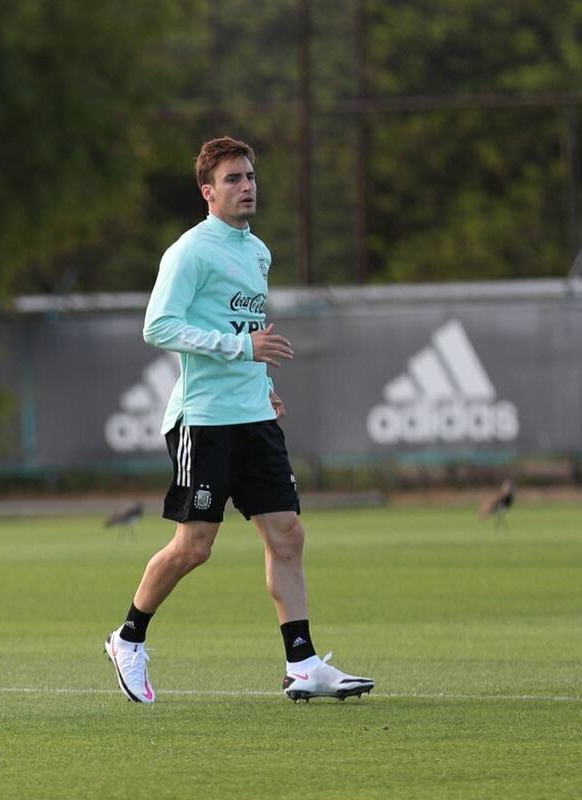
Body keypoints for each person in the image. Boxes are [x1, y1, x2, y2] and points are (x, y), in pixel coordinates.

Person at [104, 136, 373, 704]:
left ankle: (301, 664)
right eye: (233, 179)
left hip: (254, 415)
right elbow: (158, 327)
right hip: (204, 420)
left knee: (287, 534)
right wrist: (241, 353)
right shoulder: (190, 252)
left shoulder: (257, 252)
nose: (247, 186)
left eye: (250, 176)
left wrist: (265, 384)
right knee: (195, 545)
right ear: (208, 191)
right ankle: (128, 638)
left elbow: (250, 331)